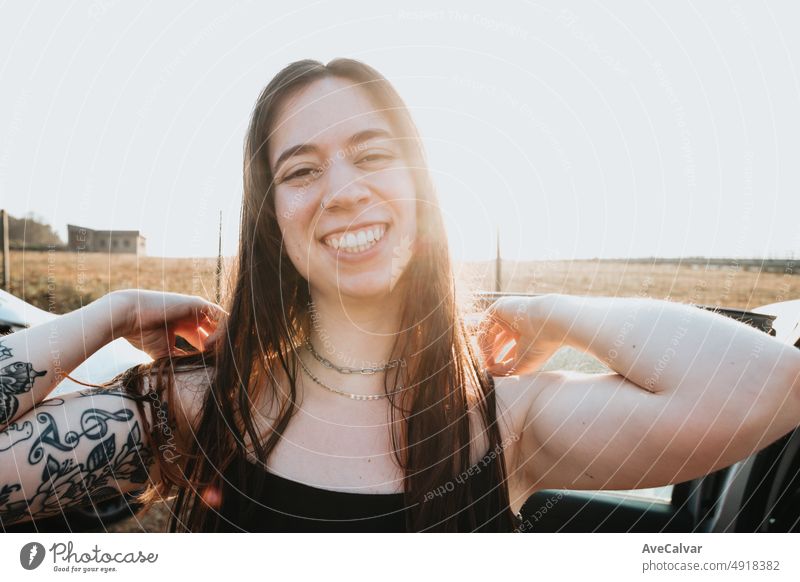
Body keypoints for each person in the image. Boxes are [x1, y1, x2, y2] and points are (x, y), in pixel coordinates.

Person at [1, 58, 798, 533]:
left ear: (425, 188)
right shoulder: (207, 405)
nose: (343, 191)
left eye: (373, 154)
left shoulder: (500, 419)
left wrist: (549, 312)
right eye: (302, 169)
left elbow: (773, 387)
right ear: (272, 219)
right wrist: (103, 314)